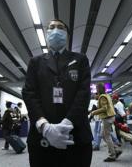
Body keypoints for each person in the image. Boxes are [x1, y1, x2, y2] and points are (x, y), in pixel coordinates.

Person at [22, 19, 93, 167]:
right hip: (41, 139)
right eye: (51, 27)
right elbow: (29, 93)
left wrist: (67, 123)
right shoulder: (35, 62)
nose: (55, 30)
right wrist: (44, 126)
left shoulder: (80, 59)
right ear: (46, 33)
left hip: (77, 136)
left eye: (60, 27)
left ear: (66, 35)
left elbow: (84, 93)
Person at [90, 83, 122, 162]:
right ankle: (115, 150)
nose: (96, 90)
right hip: (110, 117)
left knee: (107, 136)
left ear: (99, 89)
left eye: (97, 88)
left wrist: (94, 112)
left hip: (107, 118)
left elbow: (104, 108)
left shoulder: (102, 96)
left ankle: (112, 155)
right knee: (103, 135)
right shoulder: (107, 95)